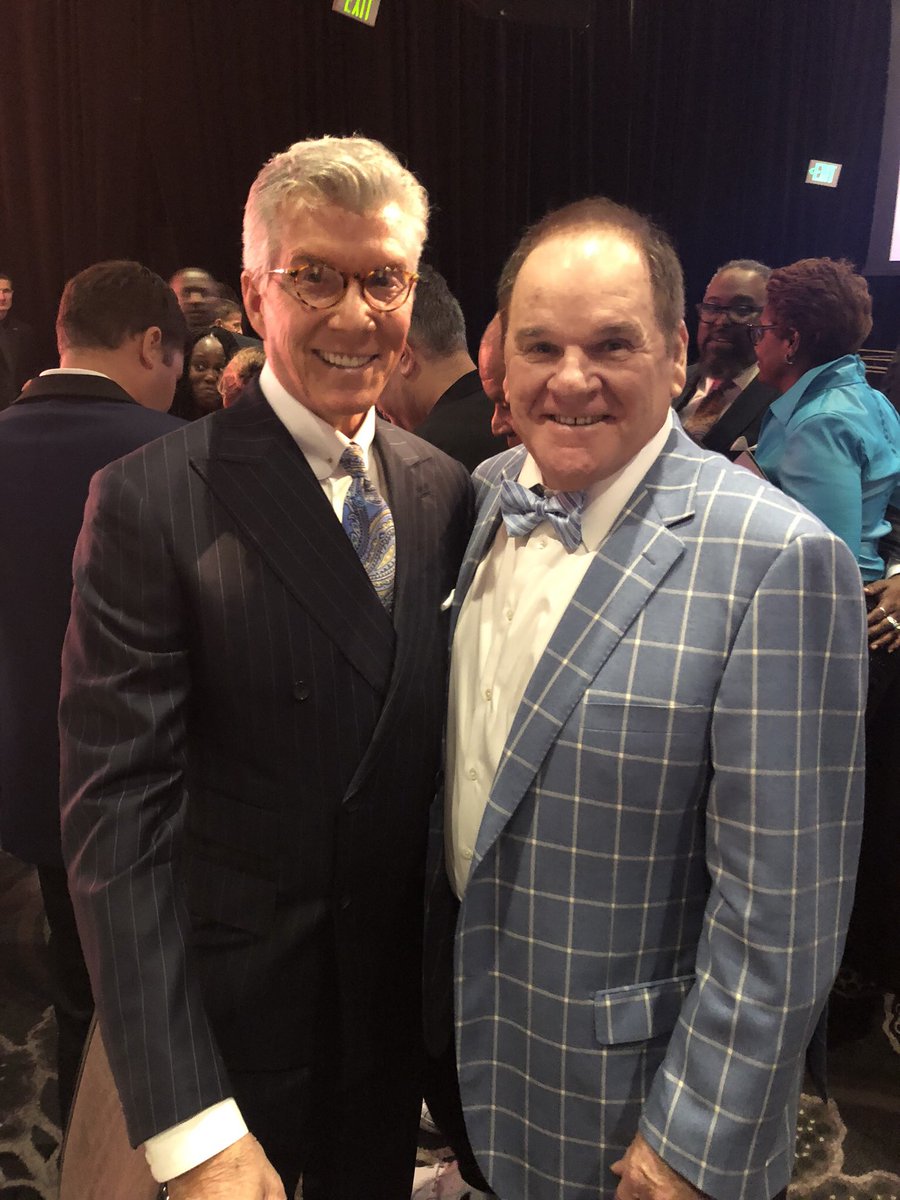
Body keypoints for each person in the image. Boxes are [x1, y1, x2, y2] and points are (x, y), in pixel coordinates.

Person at [424, 199, 866, 1200]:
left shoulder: (777, 558)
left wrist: (691, 1146)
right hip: (477, 1048)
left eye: (611, 344)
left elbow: (783, 912)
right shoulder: (486, 492)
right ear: (500, 362)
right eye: (541, 346)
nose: (571, 378)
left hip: (639, 1107)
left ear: (675, 356)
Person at [59, 134, 473, 1200]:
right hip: (232, 1036)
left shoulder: (442, 488)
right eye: (315, 277)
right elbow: (117, 830)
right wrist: (190, 1122)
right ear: (254, 295)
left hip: (383, 1031)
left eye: (383, 280)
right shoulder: (152, 498)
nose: (355, 315)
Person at [0, 260, 186, 1125]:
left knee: (75, 985)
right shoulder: (173, 452)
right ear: (153, 344)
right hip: (161, 786)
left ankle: (77, 1152)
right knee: (163, 998)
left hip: (32, 774)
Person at [751, 256, 900, 995]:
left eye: (765, 328)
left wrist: (747, 485)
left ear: (792, 340)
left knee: (805, 820)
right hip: (862, 630)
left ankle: (803, 974)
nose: (756, 340)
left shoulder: (820, 422)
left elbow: (831, 563)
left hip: (832, 647)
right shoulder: (860, 396)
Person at [379, 265, 505, 470]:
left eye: (372, 361)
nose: (373, 402)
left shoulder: (421, 457)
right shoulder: (521, 422)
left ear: (403, 356)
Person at [674, 259, 778, 454]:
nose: (721, 321)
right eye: (712, 308)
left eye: (741, 310)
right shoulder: (672, 381)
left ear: (770, 319)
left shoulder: (782, 401)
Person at [170, 325, 241, 419]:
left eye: (219, 368)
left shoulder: (247, 422)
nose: (210, 377)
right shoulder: (163, 420)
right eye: (200, 367)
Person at [0, 270, 39, 409]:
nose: (2, 297)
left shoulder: (24, 331)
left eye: (6, 291)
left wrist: (33, 381)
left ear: (12, 294)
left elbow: (35, 365)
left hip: (18, 406)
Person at [169, 267, 220, 334]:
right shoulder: (158, 338)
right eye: (186, 293)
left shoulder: (232, 340)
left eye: (204, 293)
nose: (196, 300)